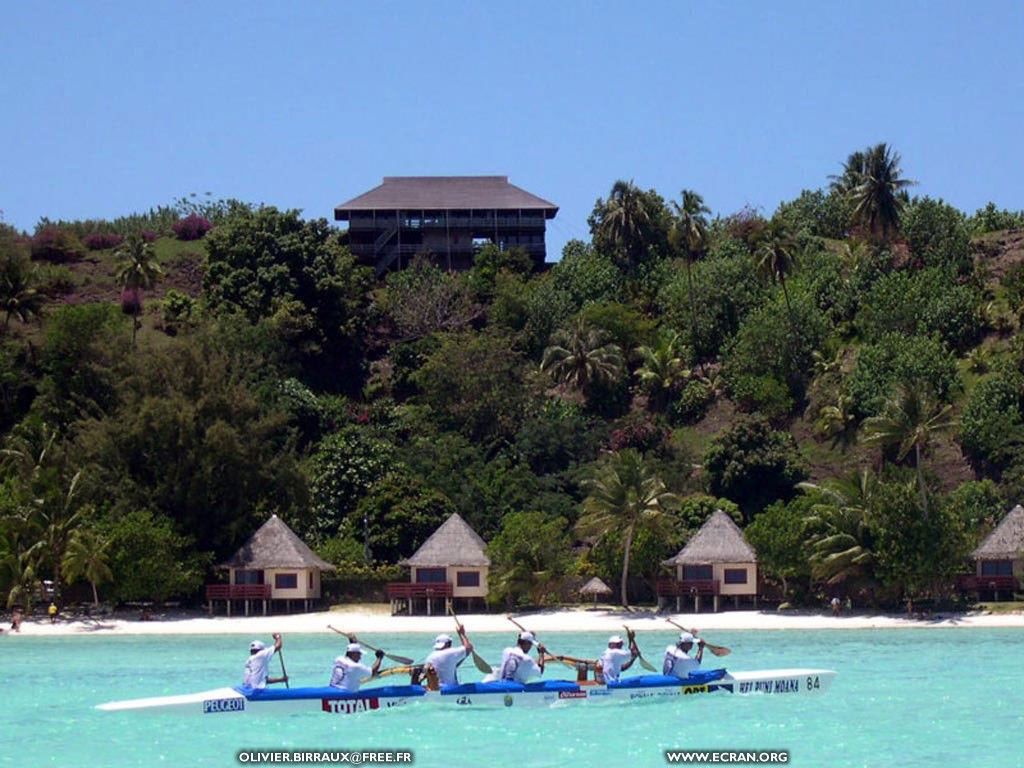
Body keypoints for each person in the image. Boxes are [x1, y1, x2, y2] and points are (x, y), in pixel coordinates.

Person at [483, 631, 548, 683]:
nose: (530, 647)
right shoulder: (527, 659)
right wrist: (541, 653)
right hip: (513, 689)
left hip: (502, 683)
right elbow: (540, 672)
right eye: (530, 644)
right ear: (526, 643)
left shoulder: (506, 651)